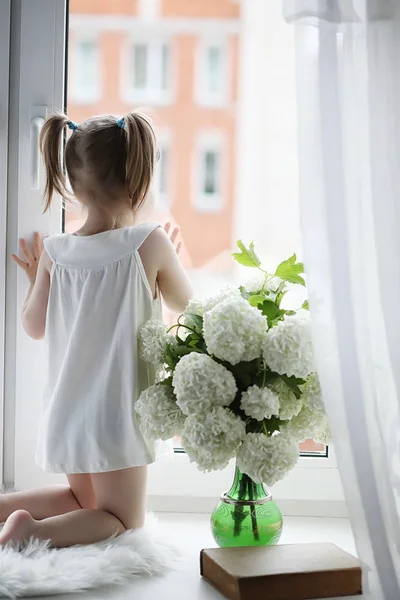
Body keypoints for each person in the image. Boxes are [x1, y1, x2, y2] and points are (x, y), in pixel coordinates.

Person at [0, 112, 192, 547]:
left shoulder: (56, 250)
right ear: (137, 175)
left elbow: (34, 326)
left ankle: (4, 508)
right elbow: (189, 307)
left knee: (81, 498)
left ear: (70, 179)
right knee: (122, 520)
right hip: (115, 416)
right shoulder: (150, 241)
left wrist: (37, 283)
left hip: (67, 409)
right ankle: (29, 532)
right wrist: (169, 264)